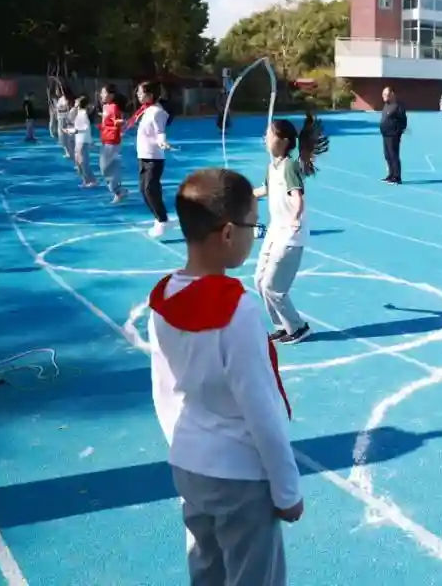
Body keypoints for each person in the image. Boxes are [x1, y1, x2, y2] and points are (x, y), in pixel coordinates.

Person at [148, 167, 302, 586]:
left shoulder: (162, 298)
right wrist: (287, 490)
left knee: (206, 569)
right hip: (239, 474)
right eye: (254, 226)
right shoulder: (236, 310)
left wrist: (185, 446)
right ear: (229, 233)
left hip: (189, 462)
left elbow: (163, 389)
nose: (256, 235)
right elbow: (261, 408)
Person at [253, 113, 329, 345]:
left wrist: (295, 218)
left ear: (284, 141)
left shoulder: (289, 167)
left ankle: (298, 327)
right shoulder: (271, 167)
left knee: (273, 287)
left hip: (290, 234)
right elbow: (265, 190)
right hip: (275, 231)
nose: (265, 138)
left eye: (269, 135)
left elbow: (298, 198)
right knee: (259, 281)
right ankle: (282, 325)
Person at [132, 81, 173, 237]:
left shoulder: (157, 111)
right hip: (143, 155)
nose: (138, 95)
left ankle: (163, 220)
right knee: (143, 189)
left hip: (154, 158)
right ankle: (159, 218)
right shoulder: (146, 110)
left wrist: (162, 142)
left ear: (150, 94)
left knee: (150, 189)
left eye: (141, 92)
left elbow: (160, 131)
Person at [98, 85, 127, 203]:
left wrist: (121, 123)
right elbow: (107, 122)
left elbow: (117, 122)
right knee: (106, 167)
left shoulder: (114, 107)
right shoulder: (105, 107)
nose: (101, 95)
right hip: (105, 140)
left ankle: (118, 190)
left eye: (103, 93)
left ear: (111, 95)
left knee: (105, 168)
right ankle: (118, 190)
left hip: (112, 141)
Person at [379, 86, 407, 184]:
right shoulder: (386, 105)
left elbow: (403, 121)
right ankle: (391, 174)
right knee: (387, 155)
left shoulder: (397, 106)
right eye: (383, 94)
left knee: (394, 155)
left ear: (392, 95)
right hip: (385, 134)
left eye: (386, 94)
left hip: (393, 135)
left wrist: (397, 132)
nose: (384, 96)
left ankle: (397, 177)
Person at [70, 96, 98, 187]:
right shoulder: (78, 113)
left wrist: (76, 130)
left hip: (83, 140)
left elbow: (85, 127)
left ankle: (91, 180)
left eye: (77, 101)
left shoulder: (83, 113)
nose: (75, 101)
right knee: (78, 162)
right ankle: (85, 180)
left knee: (83, 162)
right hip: (78, 139)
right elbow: (71, 119)